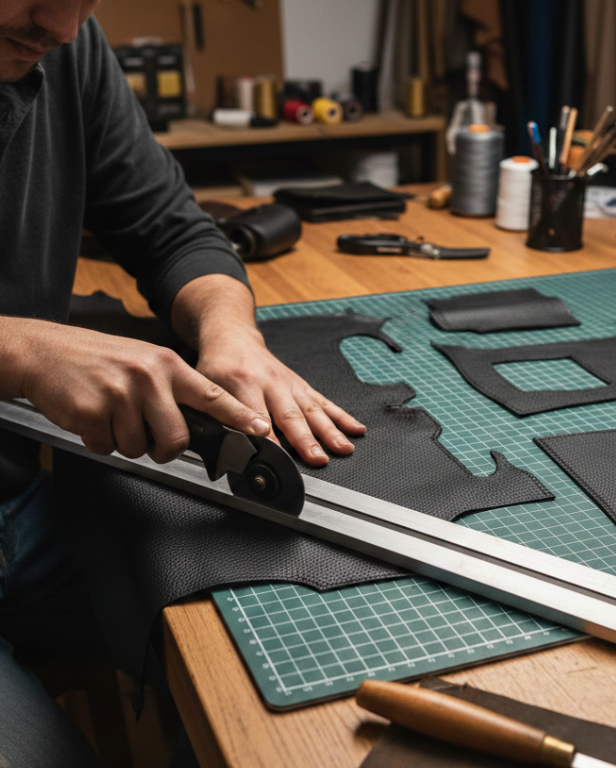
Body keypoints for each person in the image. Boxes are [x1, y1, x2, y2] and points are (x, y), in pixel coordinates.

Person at [0, 2, 362, 763]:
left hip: (23, 514)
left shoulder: (64, 41)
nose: (60, 28)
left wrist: (230, 334)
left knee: (288, 670)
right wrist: (21, 350)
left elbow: (169, 226)